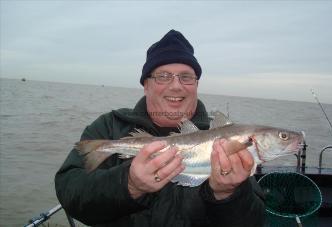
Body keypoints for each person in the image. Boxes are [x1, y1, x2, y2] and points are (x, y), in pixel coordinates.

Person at [55, 29, 265, 227]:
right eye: (163, 76)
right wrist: (128, 184)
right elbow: (70, 192)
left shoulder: (227, 138)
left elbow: (254, 221)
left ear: (196, 85)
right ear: (146, 85)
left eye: (186, 76)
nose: (176, 85)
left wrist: (229, 194)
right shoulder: (109, 126)